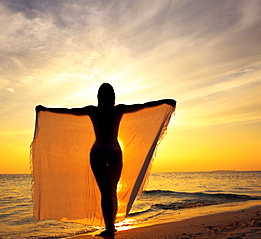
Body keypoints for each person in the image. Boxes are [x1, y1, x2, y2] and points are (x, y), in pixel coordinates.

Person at [36, 83, 176, 236]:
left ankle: (110, 226)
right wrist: (46, 109)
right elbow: (69, 112)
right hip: (107, 152)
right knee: (108, 192)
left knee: (108, 192)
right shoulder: (105, 110)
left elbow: (143, 106)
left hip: (104, 152)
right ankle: (110, 226)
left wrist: (164, 102)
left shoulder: (107, 110)